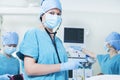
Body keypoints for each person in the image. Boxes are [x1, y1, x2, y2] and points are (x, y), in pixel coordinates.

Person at [17, 0, 83, 80]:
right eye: (51, 13)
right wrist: (63, 66)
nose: (55, 16)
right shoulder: (33, 34)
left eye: (58, 14)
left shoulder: (58, 41)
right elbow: (30, 69)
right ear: (42, 14)